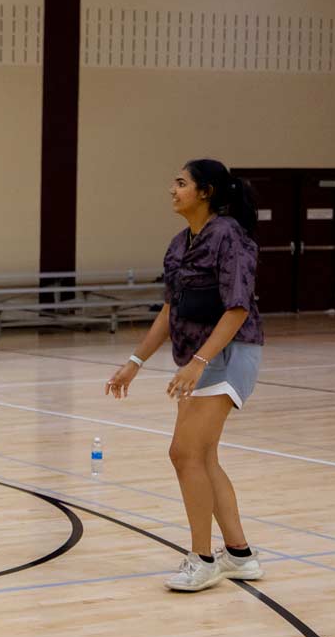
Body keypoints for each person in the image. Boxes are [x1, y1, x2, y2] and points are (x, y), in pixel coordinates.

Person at [105, 158, 265, 592]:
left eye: (180, 183)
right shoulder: (180, 243)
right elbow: (171, 309)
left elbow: (237, 308)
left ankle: (203, 558)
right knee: (201, 456)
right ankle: (240, 555)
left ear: (206, 191)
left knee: (184, 454)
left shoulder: (229, 237)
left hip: (230, 353)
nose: (171, 190)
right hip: (199, 356)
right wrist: (134, 363)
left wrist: (198, 363)